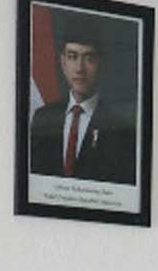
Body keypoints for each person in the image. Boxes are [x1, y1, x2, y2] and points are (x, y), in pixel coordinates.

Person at [28, 16, 136, 185]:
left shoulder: (120, 129)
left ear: (101, 63)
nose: (79, 68)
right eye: (72, 56)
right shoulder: (43, 117)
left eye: (89, 58)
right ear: (63, 62)